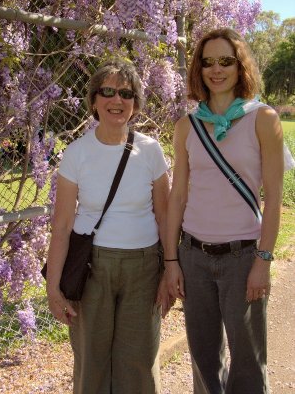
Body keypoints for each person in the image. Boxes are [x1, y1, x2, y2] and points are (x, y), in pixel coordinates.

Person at [164, 28, 284, 394]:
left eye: (226, 61)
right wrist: (171, 262)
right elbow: (178, 196)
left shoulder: (263, 118)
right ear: (198, 69)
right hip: (194, 255)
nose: (217, 70)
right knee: (203, 359)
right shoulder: (187, 126)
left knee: (247, 362)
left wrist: (262, 260)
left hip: (243, 257)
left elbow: (275, 198)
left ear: (240, 66)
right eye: (208, 62)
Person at [45, 59, 170, 394]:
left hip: (144, 267)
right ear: (94, 101)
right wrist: (53, 289)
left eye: (126, 94)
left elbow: (165, 216)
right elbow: (62, 225)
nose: (117, 100)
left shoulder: (151, 151)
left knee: (139, 363)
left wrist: (170, 271)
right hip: (93, 267)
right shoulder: (77, 153)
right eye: (108, 92)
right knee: (91, 362)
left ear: (135, 104)